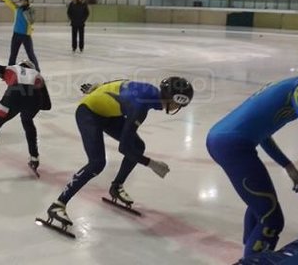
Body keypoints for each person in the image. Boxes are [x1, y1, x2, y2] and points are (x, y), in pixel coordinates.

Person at [206, 53, 298, 259]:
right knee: (272, 220)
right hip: (234, 145)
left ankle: (250, 254)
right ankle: (253, 260)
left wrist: (288, 166)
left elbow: (262, 135)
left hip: (224, 140)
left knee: (260, 208)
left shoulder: (289, 84)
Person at [45, 77, 194, 227]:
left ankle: (116, 186)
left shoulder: (151, 92)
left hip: (109, 113)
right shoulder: (139, 107)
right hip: (88, 113)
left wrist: (101, 88)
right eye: (180, 105)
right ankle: (58, 204)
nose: (178, 108)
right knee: (97, 163)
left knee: (138, 146)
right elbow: (124, 148)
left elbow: (123, 82)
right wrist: (151, 164)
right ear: (173, 100)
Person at [0, 0, 40, 71]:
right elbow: (7, 0)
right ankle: (9, 71)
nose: (23, 2)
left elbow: (32, 21)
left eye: (25, 0)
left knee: (30, 54)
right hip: (16, 35)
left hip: (26, 36)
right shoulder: (17, 8)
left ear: (28, 1)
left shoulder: (31, 10)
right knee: (13, 54)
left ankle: (37, 71)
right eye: (22, 0)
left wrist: (26, 11)